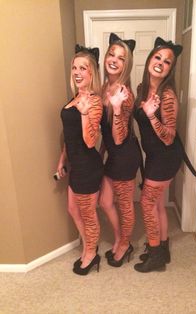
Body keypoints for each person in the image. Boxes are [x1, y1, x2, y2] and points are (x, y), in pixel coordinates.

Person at [133, 37, 184, 273]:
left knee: (146, 203)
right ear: (149, 59)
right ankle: (163, 248)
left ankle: (155, 256)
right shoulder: (142, 89)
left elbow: (169, 137)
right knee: (158, 205)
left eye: (167, 62)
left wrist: (152, 116)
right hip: (154, 156)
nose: (161, 63)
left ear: (170, 69)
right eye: (157, 57)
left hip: (165, 157)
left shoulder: (167, 96)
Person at [56, 44, 103, 275]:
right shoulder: (75, 98)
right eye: (74, 67)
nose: (77, 72)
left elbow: (90, 141)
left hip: (88, 167)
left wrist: (84, 114)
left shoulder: (94, 102)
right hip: (75, 165)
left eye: (83, 68)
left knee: (88, 213)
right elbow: (70, 135)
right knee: (73, 209)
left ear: (92, 73)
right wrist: (61, 159)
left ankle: (92, 254)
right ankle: (88, 246)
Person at [99, 33, 142, 267]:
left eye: (121, 58)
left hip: (125, 156)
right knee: (105, 202)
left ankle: (125, 244)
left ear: (127, 65)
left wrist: (116, 108)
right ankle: (120, 238)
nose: (114, 60)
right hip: (112, 155)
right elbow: (106, 134)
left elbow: (119, 136)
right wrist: (100, 153)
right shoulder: (104, 86)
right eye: (111, 54)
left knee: (125, 204)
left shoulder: (124, 94)